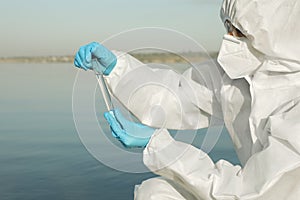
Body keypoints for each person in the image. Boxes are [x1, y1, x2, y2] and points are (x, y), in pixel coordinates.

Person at [74, 0, 300, 199]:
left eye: (239, 32)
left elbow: (249, 193)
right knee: (155, 193)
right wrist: (118, 69)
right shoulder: (240, 73)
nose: (228, 40)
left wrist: (160, 146)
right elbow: (175, 95)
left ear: (279, 33)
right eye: (228, 27)